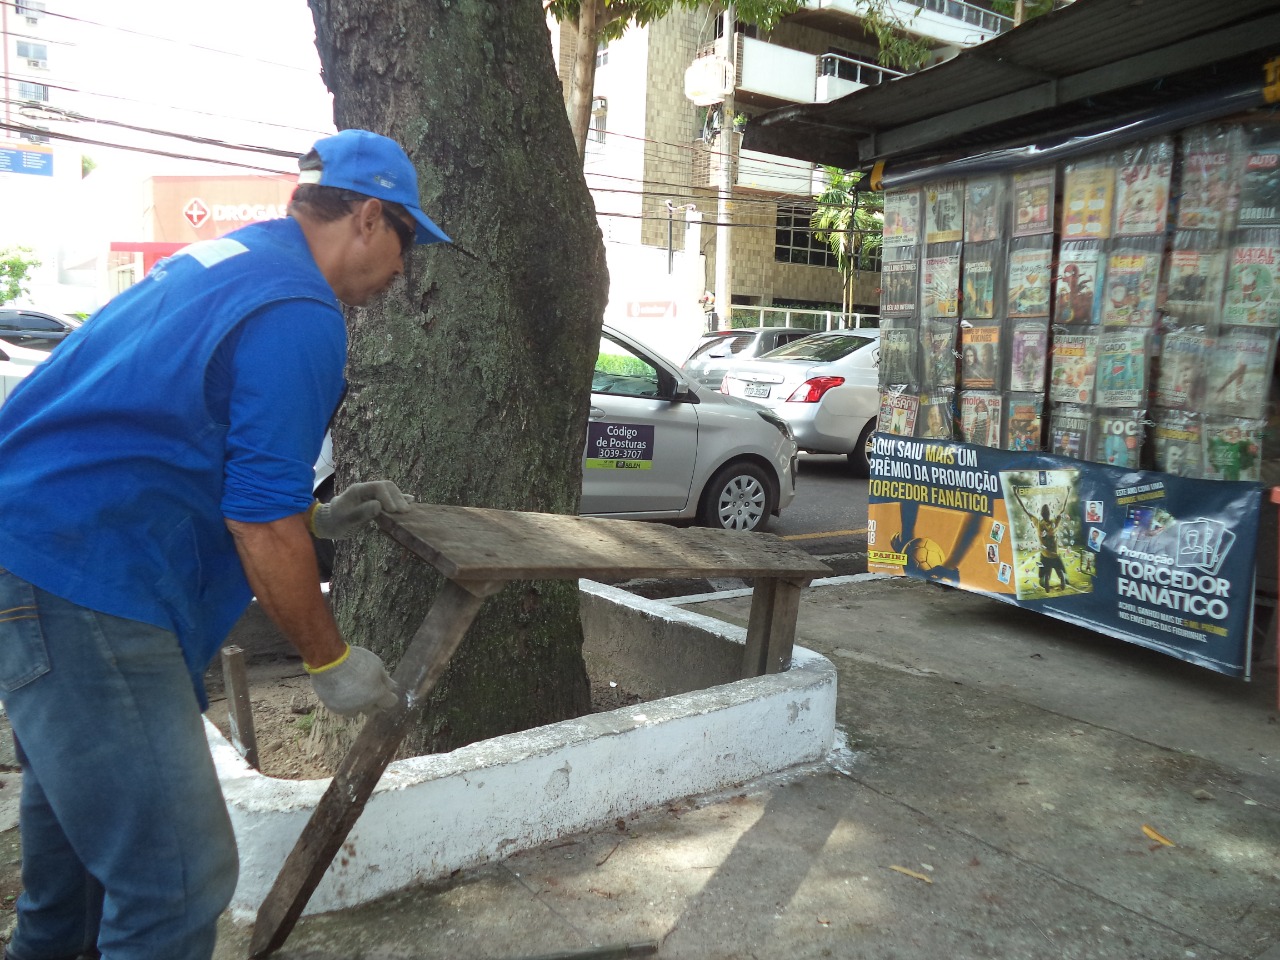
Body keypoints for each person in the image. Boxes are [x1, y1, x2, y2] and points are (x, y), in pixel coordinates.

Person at [0, 128, 451, 960]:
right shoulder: (300, 311)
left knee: (74, 884)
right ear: (367, 217)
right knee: (179, 883)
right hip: (86, 578)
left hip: (34, 552)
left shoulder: (227, 259)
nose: (399, 273)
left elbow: (174, 445)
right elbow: (254, 519)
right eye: (406, 242)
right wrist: (329, 660)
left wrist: (316, 519)